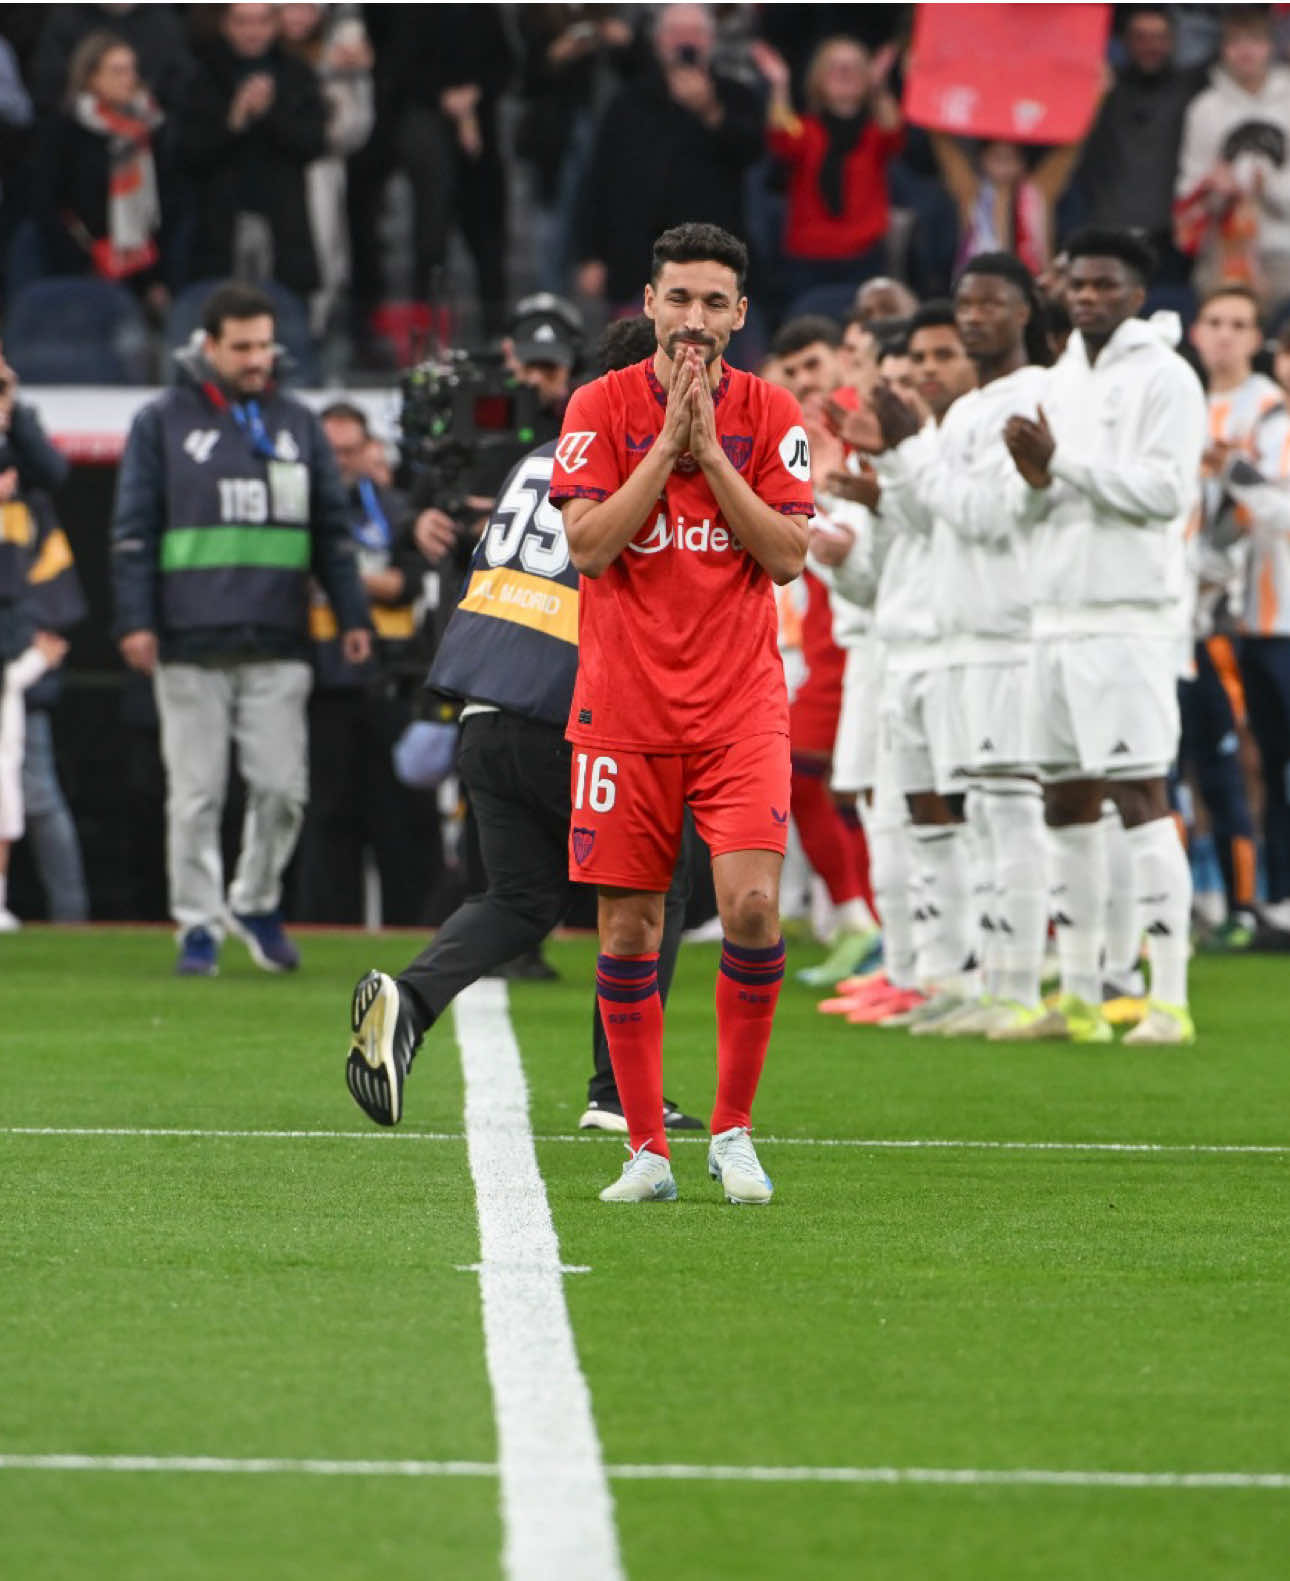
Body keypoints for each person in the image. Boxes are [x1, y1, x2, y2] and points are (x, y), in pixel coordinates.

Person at [344, 315, 701, 1136]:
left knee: (521, 894)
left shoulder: (536, 457)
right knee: (659, 881)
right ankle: (618, 1091)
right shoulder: (641, 460)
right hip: (570, 705)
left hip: (483, 703)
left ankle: (411, 999)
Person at [554, 220, 812, 1206]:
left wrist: (716, 456)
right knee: (629, 931)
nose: (695, 320)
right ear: (648, 304)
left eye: (715, 303)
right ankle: (649, 1150)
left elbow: (785, 556)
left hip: (740, 707)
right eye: (679, 299)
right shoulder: (598, 406)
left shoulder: (770, 410)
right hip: (622, 709)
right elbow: (589, 548)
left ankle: (735, 1131)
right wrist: (666, 450)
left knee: (750, 906)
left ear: (739, 316)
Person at [110, 281, 371, 976]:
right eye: (244, 346)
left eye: (265, 344)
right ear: (209, 346)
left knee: (284, 790)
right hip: (187, 641)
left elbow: (331, 531)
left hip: (279, 637)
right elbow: (133, 532)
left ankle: (254, 900)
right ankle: (198, 923)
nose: (259, 358)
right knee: (196, 796)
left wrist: (352, 615)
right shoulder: (160, 420)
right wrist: (135, 620)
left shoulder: (298, 421)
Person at [1002, 227, 1207, 1045]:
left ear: (1136, 293)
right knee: (1065, 800)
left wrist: (1066, 466)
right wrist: (1035, 479)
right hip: (1053, 617)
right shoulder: (1059, 379)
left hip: (1126, 620)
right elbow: (1038, 501)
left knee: (1140, 794)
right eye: (1078, 284)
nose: (1086, 296)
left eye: (1104, 285)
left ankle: (1170, 1000)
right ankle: (1082, 996)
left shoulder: (1168, 377)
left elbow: (1165, 493)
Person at [864, 255, 1054, 1038]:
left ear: (1025, 312)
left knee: (1007, 815)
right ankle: (985, 978)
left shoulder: (1031, 398)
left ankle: (1020, 988)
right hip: (958, 634)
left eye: (991, 302)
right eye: (966, 301)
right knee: (976, 818)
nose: (973, 314)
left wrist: (905, 453)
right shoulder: (971, 408)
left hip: (1007, 635)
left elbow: (986, 517)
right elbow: (936, 520)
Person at [827, 305, 981, 1028]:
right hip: (892, 642)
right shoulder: (905, 454)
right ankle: (910, 965)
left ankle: (956, 970)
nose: (902, 387)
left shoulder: (944, 445)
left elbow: (957, 529)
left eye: (914, 372)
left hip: (955, 647)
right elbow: (876, 577)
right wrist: (842, 553)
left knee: (955, 813)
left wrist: (886, 491)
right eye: (890, 377)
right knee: (890, 812)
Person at [292, 401, 438, 926]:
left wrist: (333, 578)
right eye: (328, 453)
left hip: (390, 681)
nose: (339, 463)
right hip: (321, 686)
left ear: (369, 450)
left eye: (349, 451)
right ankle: (326, 929)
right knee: (326, 821)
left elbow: (409, 584)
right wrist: (373, 583)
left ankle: (413, 930)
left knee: (402, 821)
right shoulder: (297, 510)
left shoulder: (395, 508)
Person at [768, 315, 880, 986]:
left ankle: (872, 924)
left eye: (814, 365)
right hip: (821, 639)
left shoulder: (864, 428)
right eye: (791, 372)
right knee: (824, 782)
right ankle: (865, 922)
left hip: (867, 630)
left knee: (842, 783)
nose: (805, 382)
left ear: (840, 362)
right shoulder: (785, 441)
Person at [574, 5, 763, 313]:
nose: (685, 41)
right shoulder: (627, 102)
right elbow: (598, 180)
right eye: (676, 32)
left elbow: (752, 152)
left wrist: (710, 110)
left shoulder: (735, 96)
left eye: (695, 33)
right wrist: (590, 255)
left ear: (711, 41)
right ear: (658, 41)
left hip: (712, 261)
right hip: (636, 265)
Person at [1182, 284, 1267, 946]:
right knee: (1162, 769)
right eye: (1215, 320)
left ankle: (1243, 904)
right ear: (1195, 328)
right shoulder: (1178, 399)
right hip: (1168, 619)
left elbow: (1261, 515)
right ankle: (1190, 898)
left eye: (1239, 323)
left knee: (1223, 766)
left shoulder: (1268, 409)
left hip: (1222, 615)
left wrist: (1233, 472)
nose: (1225, 335)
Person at [176, 3, 328, 299]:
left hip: (284, 222)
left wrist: (269, 114)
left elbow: (314, 143)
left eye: (261, 22)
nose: (252, 32)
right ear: (225, 25)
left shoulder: (297, 73)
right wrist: (234, 120)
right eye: (242, 22)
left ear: (274, 25)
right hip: (220, 223)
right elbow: (188, 152)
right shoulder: (200, 75)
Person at [751, 35, 903, 316]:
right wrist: (780, 84)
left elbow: (893, 130)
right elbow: (781, 134)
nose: (844, 73)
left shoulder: (874, 134)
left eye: (853, 67)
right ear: (818, 77)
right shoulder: (806, 130)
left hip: (865, 256)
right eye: (834, 66)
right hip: (808, 261)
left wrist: (881, 85)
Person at [32, 30, 167, 309]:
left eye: (131, 69)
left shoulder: (148, 125)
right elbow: (47, 201)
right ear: (91, 76)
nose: (128, 78)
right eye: (117, 71)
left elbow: (165, 199)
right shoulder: (65, 129)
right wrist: (84, 259)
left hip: (141, 267)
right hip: (82, 264)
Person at [1175, 6, 1290, 306]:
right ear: (1223, 49)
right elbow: (1187, 191)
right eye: (1235, 42)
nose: (1245, 51)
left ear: (1270, 46)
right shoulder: (1204, 108)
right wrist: (1213, 189)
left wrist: (1268, 186)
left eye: (1254, 41)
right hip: (1223, 252)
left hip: (1284, 248)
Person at [1077, 6, 1204, 276]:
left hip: (1170, 240)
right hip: (1107, 234)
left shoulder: (1193, 90)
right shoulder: (1102, 91)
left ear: (1173, 41)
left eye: (1159, 37)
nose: (1151, 46)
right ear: (1124, 42)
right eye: (1141, 37)